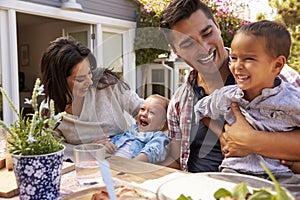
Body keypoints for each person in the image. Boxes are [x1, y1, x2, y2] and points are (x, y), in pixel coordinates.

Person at [159, 0, 300, 173]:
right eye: (188, 44)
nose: (203, 48)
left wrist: (250, 140)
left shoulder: (280, 77)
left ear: (217, 27)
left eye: (207, 33)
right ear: (176, 51)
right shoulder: (179, 102)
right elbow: (176, 158)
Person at [194, 20, 300, 196]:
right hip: (235, 173)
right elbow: (200, 109)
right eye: (234, 58)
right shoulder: (227, 96)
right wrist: (222, 136)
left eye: (249, 58)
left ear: (277, 65)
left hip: (280, 176)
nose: (237, 66)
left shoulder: (292, 100)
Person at [40, 37, 143, 161]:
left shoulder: (107, 84)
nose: (89, 82)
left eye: (90, 73)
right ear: (59, 81)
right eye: (80, 79)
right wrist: (89, 149)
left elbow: (142, 110)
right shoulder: (49, 109)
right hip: (84, 167)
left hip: (125, 157)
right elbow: (53, 148)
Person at [105, 94, 170, 163]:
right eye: (142, 109)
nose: (144, 114)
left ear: (163, 123)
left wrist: (133, 164)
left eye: (152, 112)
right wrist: (108, 146)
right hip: (110, 162)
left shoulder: (158, 136)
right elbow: (117, 140)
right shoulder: (132, 130)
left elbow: (152, 152)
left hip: (129, 167)